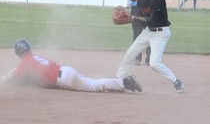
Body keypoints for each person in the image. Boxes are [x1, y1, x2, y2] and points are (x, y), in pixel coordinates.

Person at [116, 0, 184, 93]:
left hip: (161, 33)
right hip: (148, 32)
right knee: (129, 54)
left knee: (154, 63)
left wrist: (132, 18)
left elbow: (151, 19)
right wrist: (125, 14)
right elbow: (141, 17)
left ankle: (176, 81)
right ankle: (118, 82)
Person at [1, 39, 142, 93]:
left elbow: (16, 79)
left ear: (18, 53)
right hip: (65, 72)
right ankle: (118, 84)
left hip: (65, 79)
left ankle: (125, 82)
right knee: (93, 84)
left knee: (95, 86)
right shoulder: (33, 58)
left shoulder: (25, 62)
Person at [126, 0, 151, 66]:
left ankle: (149, 58)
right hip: (136, 8)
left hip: (148, 10)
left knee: (149, 34)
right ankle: (137, 57)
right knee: (137, 34)